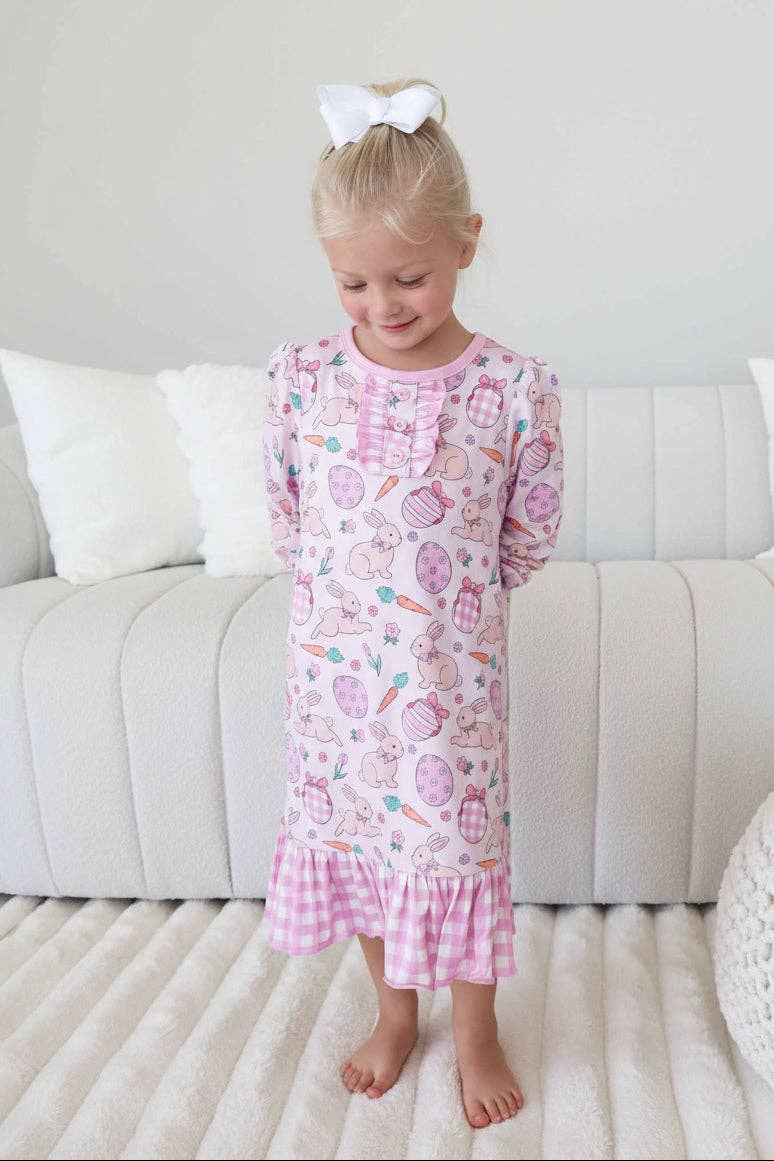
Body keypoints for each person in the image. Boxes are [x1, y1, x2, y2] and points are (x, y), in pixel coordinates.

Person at [261, 77, 564, 1130]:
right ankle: (395, 1012)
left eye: (409, 278)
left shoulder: (511, 388)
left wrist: (444, 611)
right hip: (335, 686)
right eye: (353, 282)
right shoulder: (302, 378)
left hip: (449, 684)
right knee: (358, 844)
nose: (382, 305)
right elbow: (289, 513)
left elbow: (528, 533)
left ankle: (475, 1030)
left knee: (455, 850)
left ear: (466, 244)